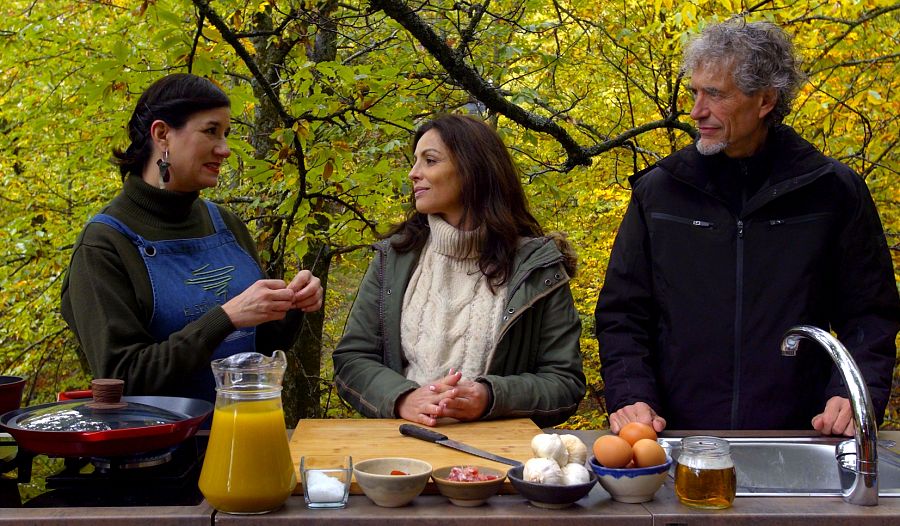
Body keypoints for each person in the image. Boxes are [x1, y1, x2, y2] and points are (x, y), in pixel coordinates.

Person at [594, 20, 899, 436]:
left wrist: (851, 391)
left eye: (715, 95)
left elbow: (871, 314)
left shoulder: (831, 191)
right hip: (677, 435)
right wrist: (632, 396)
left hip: (805, 434)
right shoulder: (661, 191)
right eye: (695, 93)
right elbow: (623, 313)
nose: (696, 111)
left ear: (766, 100)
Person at [61, 73, 323, 403]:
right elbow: (123, 377)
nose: (225, 149)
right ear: (162, 134)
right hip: (160, 451)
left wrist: (291, 305)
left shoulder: (225, 224)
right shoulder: (104, 245)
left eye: (226, 134)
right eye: (211, 131)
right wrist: (225, 318)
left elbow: (261, 345)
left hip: (245, 432)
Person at [332, 114, 586, 428]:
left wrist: (491, 397)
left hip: (497, 455)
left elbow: (564, 382)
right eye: (415, 162)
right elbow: (352, 360)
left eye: (430, 160)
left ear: (472, 170)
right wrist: (403, 398)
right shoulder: (394, 259)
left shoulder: (536, 268)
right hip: (403, 447)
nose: (414, 174)